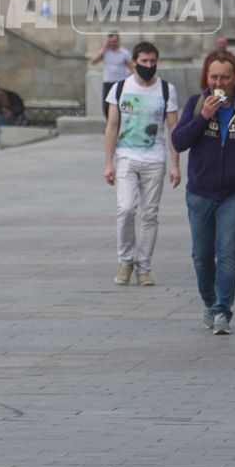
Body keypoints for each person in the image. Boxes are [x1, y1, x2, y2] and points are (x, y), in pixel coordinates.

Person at [171, 52, 235, 335]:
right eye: (214, 76)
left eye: (224, 77)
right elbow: (178, 142)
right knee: (202, 255)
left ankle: (222, 312)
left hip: (234, 193)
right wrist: (203, 118)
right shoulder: (197, 104)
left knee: (226, 252)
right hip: (200, 192)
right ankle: (209, 301)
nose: (219, 82)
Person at [102, 42, 180, 286]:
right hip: (126, 157)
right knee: (125, 209)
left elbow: (173, 129)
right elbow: (112, 126)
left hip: (155, 160)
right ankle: (126, 260)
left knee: (149, 214)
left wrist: (175, 164)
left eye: (152, 61)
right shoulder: (120, 88)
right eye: (144, 61)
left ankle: (143, 268)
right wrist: (108, 163)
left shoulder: (167, 90)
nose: (148, 66)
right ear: (134, 61)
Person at [91, 33, 132, 103]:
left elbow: (131, 67)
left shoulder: (125, 53)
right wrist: (104, 48)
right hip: (108, 82)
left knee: (120, 102)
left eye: (114, 41)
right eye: (110, 42)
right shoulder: (105, 52)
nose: (112, 44)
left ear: (118, 41)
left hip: (121, 82)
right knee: (106, 104)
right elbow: (93, 61)